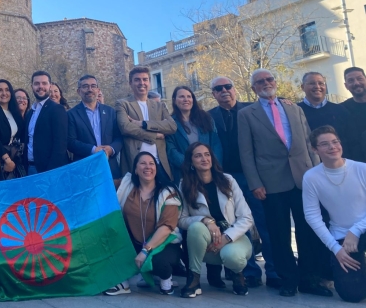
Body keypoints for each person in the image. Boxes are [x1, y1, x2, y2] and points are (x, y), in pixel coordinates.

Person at [238, 68, 330, 297]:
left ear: (275, 82)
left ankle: (309, 278)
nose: (266, 83)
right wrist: (255, 183)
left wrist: (317, 173)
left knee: (307, 232)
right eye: (260, 82)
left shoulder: (294, 107)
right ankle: (288, 279)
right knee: (279, 235)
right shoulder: (247, 114)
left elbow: (310, 144)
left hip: (303, 179)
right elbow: (246, 153)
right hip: (270, 183)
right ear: (254, 88)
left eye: (269, 79)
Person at [207, 76, 279, 287]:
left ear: (235, 89)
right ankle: (249, 272)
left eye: (228, 86)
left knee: (265, 224)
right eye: (218, 89)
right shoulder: (209, 117)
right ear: (214, 94)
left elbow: (275, 110)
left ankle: (274, 271)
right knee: (238, 225)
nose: (224, 91)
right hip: (226, 179)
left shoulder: (253, 109)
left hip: (255, 177)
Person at [178, 142, 253, 298]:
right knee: (195, 228)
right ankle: (194, 278)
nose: (204, 159)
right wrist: (206, 220)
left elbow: (246, 217)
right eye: (198, 156)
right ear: (191, 162)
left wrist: (226, 238)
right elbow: (182, 220)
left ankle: (237, 274)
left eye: (207, 154)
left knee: (233, 257)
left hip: (234, 239)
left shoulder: (228, 180)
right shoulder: (185, 185)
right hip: (207, 245)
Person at [303, 125, 366, 303]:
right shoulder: (311, 177)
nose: (332, 147)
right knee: (352, 295)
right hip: (341, 238)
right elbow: (312, 216)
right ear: (314, 149)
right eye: (325, 144)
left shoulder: (362, 169)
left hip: (361, 229)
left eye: (335, 142)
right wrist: (335, 249)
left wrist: (356, 230)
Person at [106, 152, 183, 296]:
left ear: (156, 169)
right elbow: (101, 183)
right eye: (142, 163)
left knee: (160, 263)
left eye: (151, 163)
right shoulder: (126, 185)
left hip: (163, 243)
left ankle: (165, 278)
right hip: (134, 242)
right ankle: (123, 281)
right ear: (135, 169)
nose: (147, 167)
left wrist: (145, 251)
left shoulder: (168, 192)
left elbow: (166, 227)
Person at [115, 66, 177, 181]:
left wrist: (143, 124)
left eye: (145, 79)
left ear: (149, 82)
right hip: (135, 165)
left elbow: (172, 126)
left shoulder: (160, 106)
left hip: (159, 164)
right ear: (130, 83)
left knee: (165, 198)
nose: (141, 83)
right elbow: (126, 127)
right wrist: (155, 135)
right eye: (137, 79)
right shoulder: (123, 104)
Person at [67, 74, 123, 179]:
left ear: (98, 90)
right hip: (84, 170)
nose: (90, 89)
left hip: (109, 167)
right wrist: (93, 150)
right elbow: (70, 142)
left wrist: (110, 149)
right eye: (85, 86)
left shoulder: (110, 111)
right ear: (78, 91)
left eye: (93, 86)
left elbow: (119, 137)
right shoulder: (71, 114)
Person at [166, 86, 222, 179]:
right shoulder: (170, 123)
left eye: (189, 96)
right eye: (181, 97)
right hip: (185, 174)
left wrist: (213, 165)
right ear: (174, 100)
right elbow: (171, 150)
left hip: (209, 172)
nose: (186, 99)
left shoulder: (206, 118)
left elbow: (216, 145)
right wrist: (190, 165)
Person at [24, 71, 68, 175]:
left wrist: (51, 172)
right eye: (37, 83)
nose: (40, 86)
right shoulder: (30, 113)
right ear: (32, 86)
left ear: (50, 86)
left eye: (44, 83)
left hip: (50, 170)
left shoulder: (57, 109)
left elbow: (60, 144)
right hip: (31, 168)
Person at [0, 79, 25, 179]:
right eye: (0, 90)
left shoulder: (14, 112)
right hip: (0, 159)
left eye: (7, 90)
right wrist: (7, 160)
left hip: (15, 159)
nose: (4, 93)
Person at [340, 67, 366, 162]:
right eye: (351, 80)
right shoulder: (341, 110)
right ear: (346, 86)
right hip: (357, 168)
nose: (356, 83)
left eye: (359, 78)